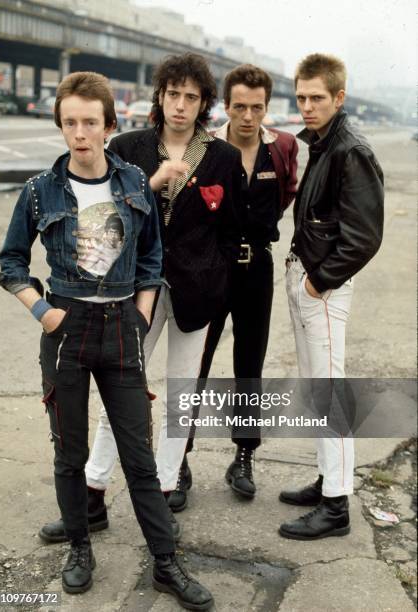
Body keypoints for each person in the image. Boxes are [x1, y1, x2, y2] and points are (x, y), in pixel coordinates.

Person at [0, 71, 214, 610]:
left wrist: (140, 318)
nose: (79, 133)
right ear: (62, 127)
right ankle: (79, 549)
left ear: (109, 125)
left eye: (90, 122)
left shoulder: (134, 182)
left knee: (139, 455)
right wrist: (44, 311)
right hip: (65, 330)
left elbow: (150, 259)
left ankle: (165, 562)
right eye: (69, 122)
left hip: (121, 330)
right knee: (69, 454)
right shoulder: (39, 191)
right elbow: (10, 263)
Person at [39, 51, 241, 536]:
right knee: (122, 389)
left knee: (181, 393)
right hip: (133, 289)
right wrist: (151, 184)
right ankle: (93, 492)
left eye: (191, 97)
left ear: (203, 103)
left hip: (198, 291)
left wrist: (219, 283)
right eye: (173, 94)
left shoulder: (222, 157)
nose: (180, 105)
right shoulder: (129, 146)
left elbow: (232, 233)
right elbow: (103, 216)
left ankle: (168, 484)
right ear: (161, 95)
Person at [279, 53, 384, 540]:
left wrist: (317, 282)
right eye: (300, 97)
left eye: (316, 97)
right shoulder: (323, 143)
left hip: (324, 284)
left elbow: (363, 237)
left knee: (328, 390)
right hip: (310, 277)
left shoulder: (350, 149)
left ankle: (336, 506)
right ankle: (328, 481)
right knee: (316, 387)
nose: (306, 106)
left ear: (339, 97)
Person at [185, 64, 298, 503]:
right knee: (196, 363)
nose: (247, 116)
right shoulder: (206, 147)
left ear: (267, 107)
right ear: (225, 106)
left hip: (258, 271)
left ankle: (244, 457)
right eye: (238, 107)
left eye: (256, 108)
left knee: (250, 366)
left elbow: (286, 193)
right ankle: (180, 457)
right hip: (212, 270)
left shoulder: (282, 147)